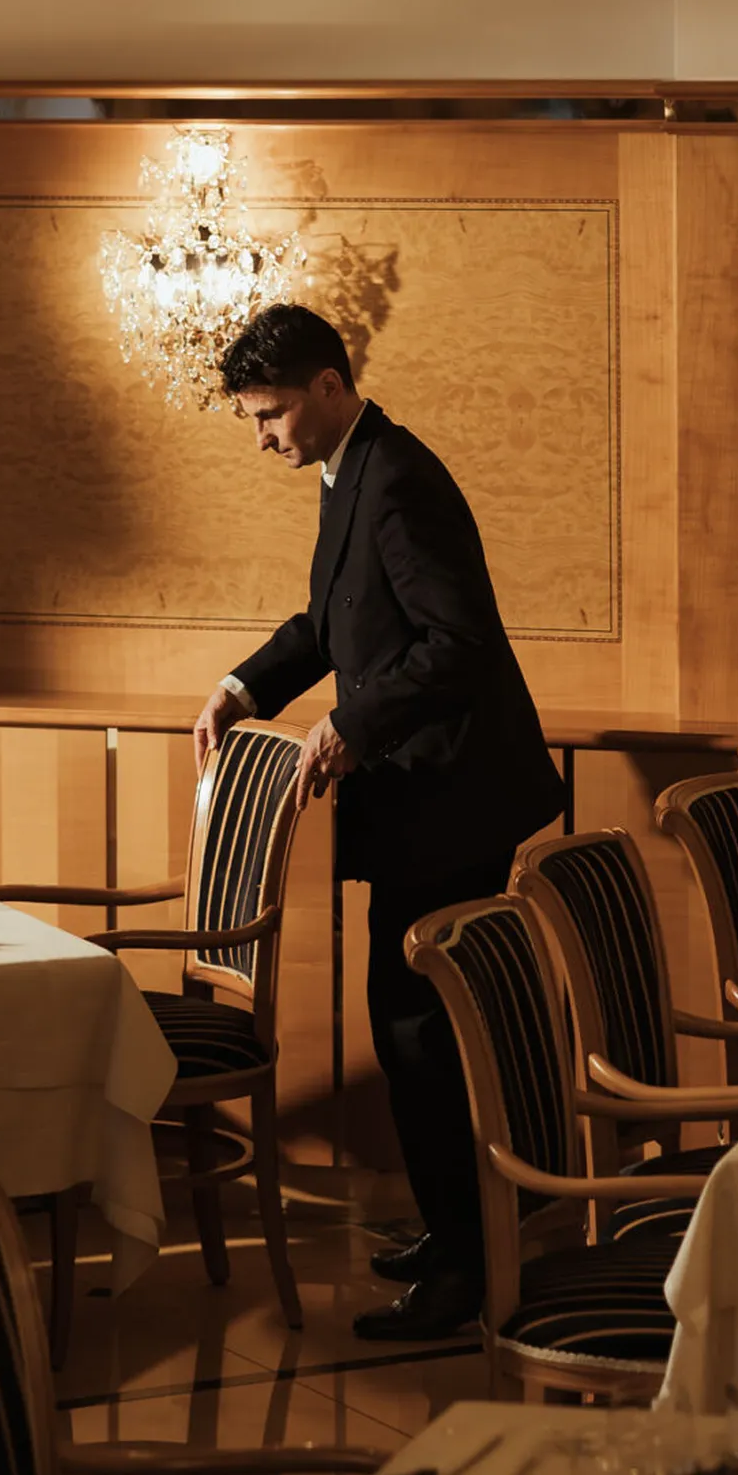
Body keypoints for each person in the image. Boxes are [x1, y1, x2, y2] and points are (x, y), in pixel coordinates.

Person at [193, 301, 562, 1340]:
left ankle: (466, 1267)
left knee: (420, 1030)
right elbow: (331, 621)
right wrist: (242, 685)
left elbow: (459, 643)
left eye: (267, 412)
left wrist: (352, 720)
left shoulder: (395, 478)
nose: (259, 433)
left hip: (448, 799)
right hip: (422, 795)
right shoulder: (350, 468)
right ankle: (458, 1234)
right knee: (417, 1029)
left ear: (324, 385)